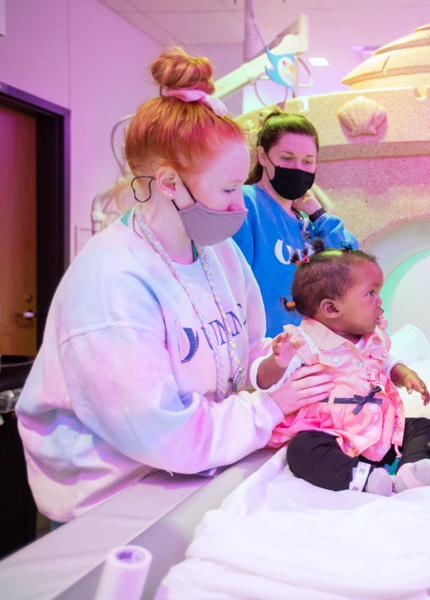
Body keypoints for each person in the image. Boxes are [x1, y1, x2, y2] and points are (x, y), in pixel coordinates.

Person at [15, 48, 335, 525]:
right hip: (108, 513)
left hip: (190, 481)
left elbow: (240, 352)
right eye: (228, 191)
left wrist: (273, 365)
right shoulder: (111, 284)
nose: (239, 207)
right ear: (169, 182)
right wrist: (267, 409)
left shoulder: (216, 253)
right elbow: (164, 432)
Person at [252, 242, 430, 496]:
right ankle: (360, 477)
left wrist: (404, 373)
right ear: (331, 308)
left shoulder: (372, 338)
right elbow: (265, 383)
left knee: (423, 427)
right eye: (371, 293)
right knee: (301, 449)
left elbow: (386, 362)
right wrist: (277, 364)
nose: (379, 301)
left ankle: (410, 470)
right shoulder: (303, 341)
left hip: (376, 426)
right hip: (331, 433)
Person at [232, 110, 358, 338]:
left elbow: (352, 269)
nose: (298, 168)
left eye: (307, 161)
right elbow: (231, 287)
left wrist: (318, 215)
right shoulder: (246, 203)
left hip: (310, 353)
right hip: (266, 355)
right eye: (287, 158)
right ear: (262, 156)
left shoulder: (307, 223)